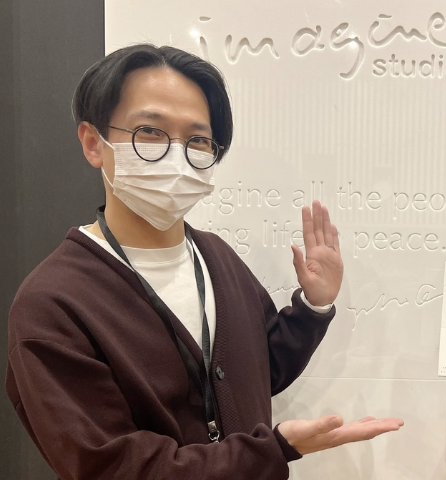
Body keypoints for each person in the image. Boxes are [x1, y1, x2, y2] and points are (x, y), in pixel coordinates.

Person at [5, 44, 403, 480]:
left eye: (197, 140)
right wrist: (273, 449)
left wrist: (313, 307)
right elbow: (110, 466)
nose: (178, 156)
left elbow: (256, 374)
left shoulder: (216, 257)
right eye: (151, 132)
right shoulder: (53, 304)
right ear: (92, 143)